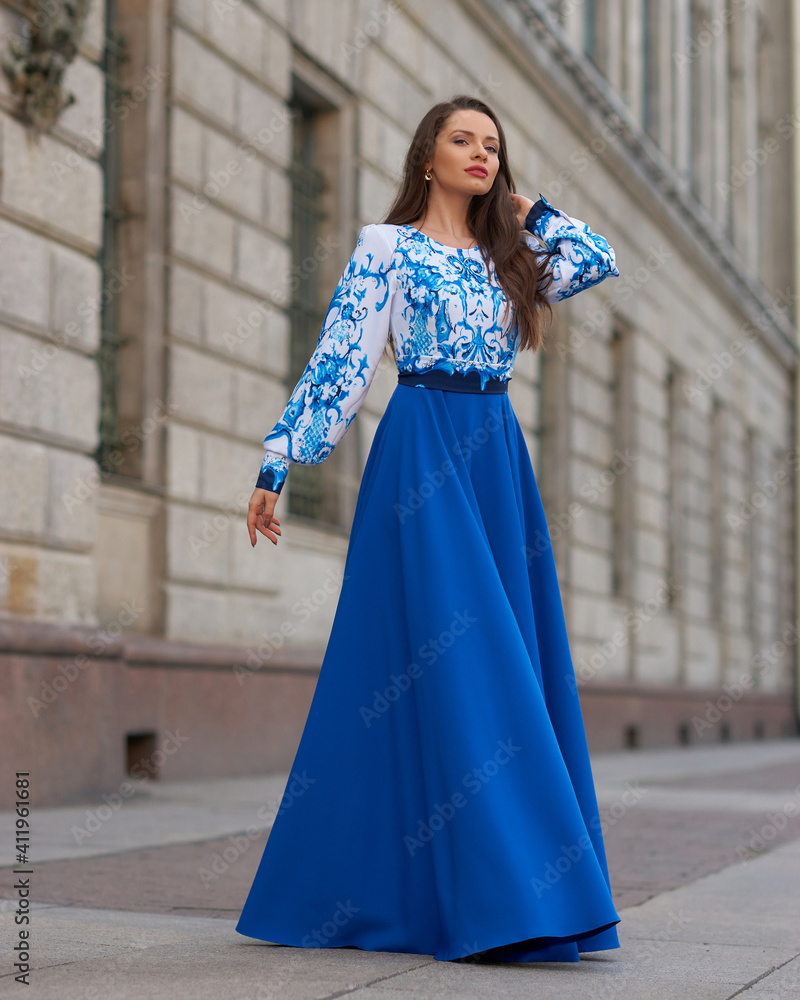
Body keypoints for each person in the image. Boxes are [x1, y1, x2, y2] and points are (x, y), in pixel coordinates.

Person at [236, 94, 622, 964]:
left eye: (493, 144)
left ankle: (508, 885)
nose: (481, 155)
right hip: (421, 452)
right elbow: (342, 358)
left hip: (496, 456)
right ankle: (500, 893)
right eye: (463, 140)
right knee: (457, 659)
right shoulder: (388, 249)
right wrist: (279, 461)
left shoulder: (511, 258)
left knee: (506, 656)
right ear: (426, 157)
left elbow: (596, 259)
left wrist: (533, 212)